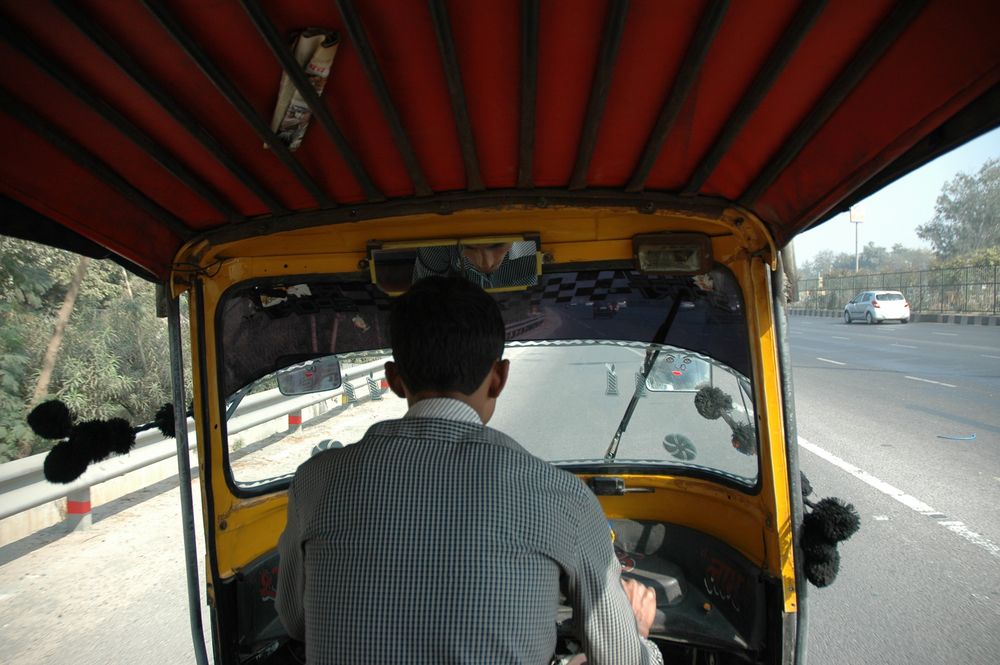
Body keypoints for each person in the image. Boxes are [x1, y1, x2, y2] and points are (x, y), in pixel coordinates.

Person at [276, 276, 662, 664]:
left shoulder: (316, 481)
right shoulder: (561, 496)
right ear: (499, 378)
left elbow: (296, 621)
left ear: (393, 381)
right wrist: (637, 632)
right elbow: (622, 660)